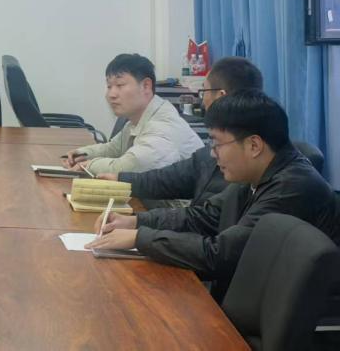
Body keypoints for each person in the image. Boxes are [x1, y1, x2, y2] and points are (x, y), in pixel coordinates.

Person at [89, 89, 338, 301]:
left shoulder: (291, 187)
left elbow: (220, 255)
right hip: (248, 293)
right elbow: (203, 216)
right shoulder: (257, 172)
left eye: (217, 144)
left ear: (254, 145)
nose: (212, 153)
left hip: (276, 307)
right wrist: (136, 221)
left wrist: (140, 238)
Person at [98, 56, 263, 206]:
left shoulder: (241, 169)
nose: (201, 100)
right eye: (109, 86)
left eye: (203, 92)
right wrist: (124, 181)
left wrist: (138, 225)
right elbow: (169, 179)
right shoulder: (212, 154)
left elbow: (205, 221)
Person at [63, 53, 204, 174]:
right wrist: (84, 154)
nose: (111, 94)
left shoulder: (162, 125)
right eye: (109, 86)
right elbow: (113, 148)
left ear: (146, 86)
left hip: (183, 198)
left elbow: (133, 165)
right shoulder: (136, 120)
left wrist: (89, 165)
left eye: (120, 85)